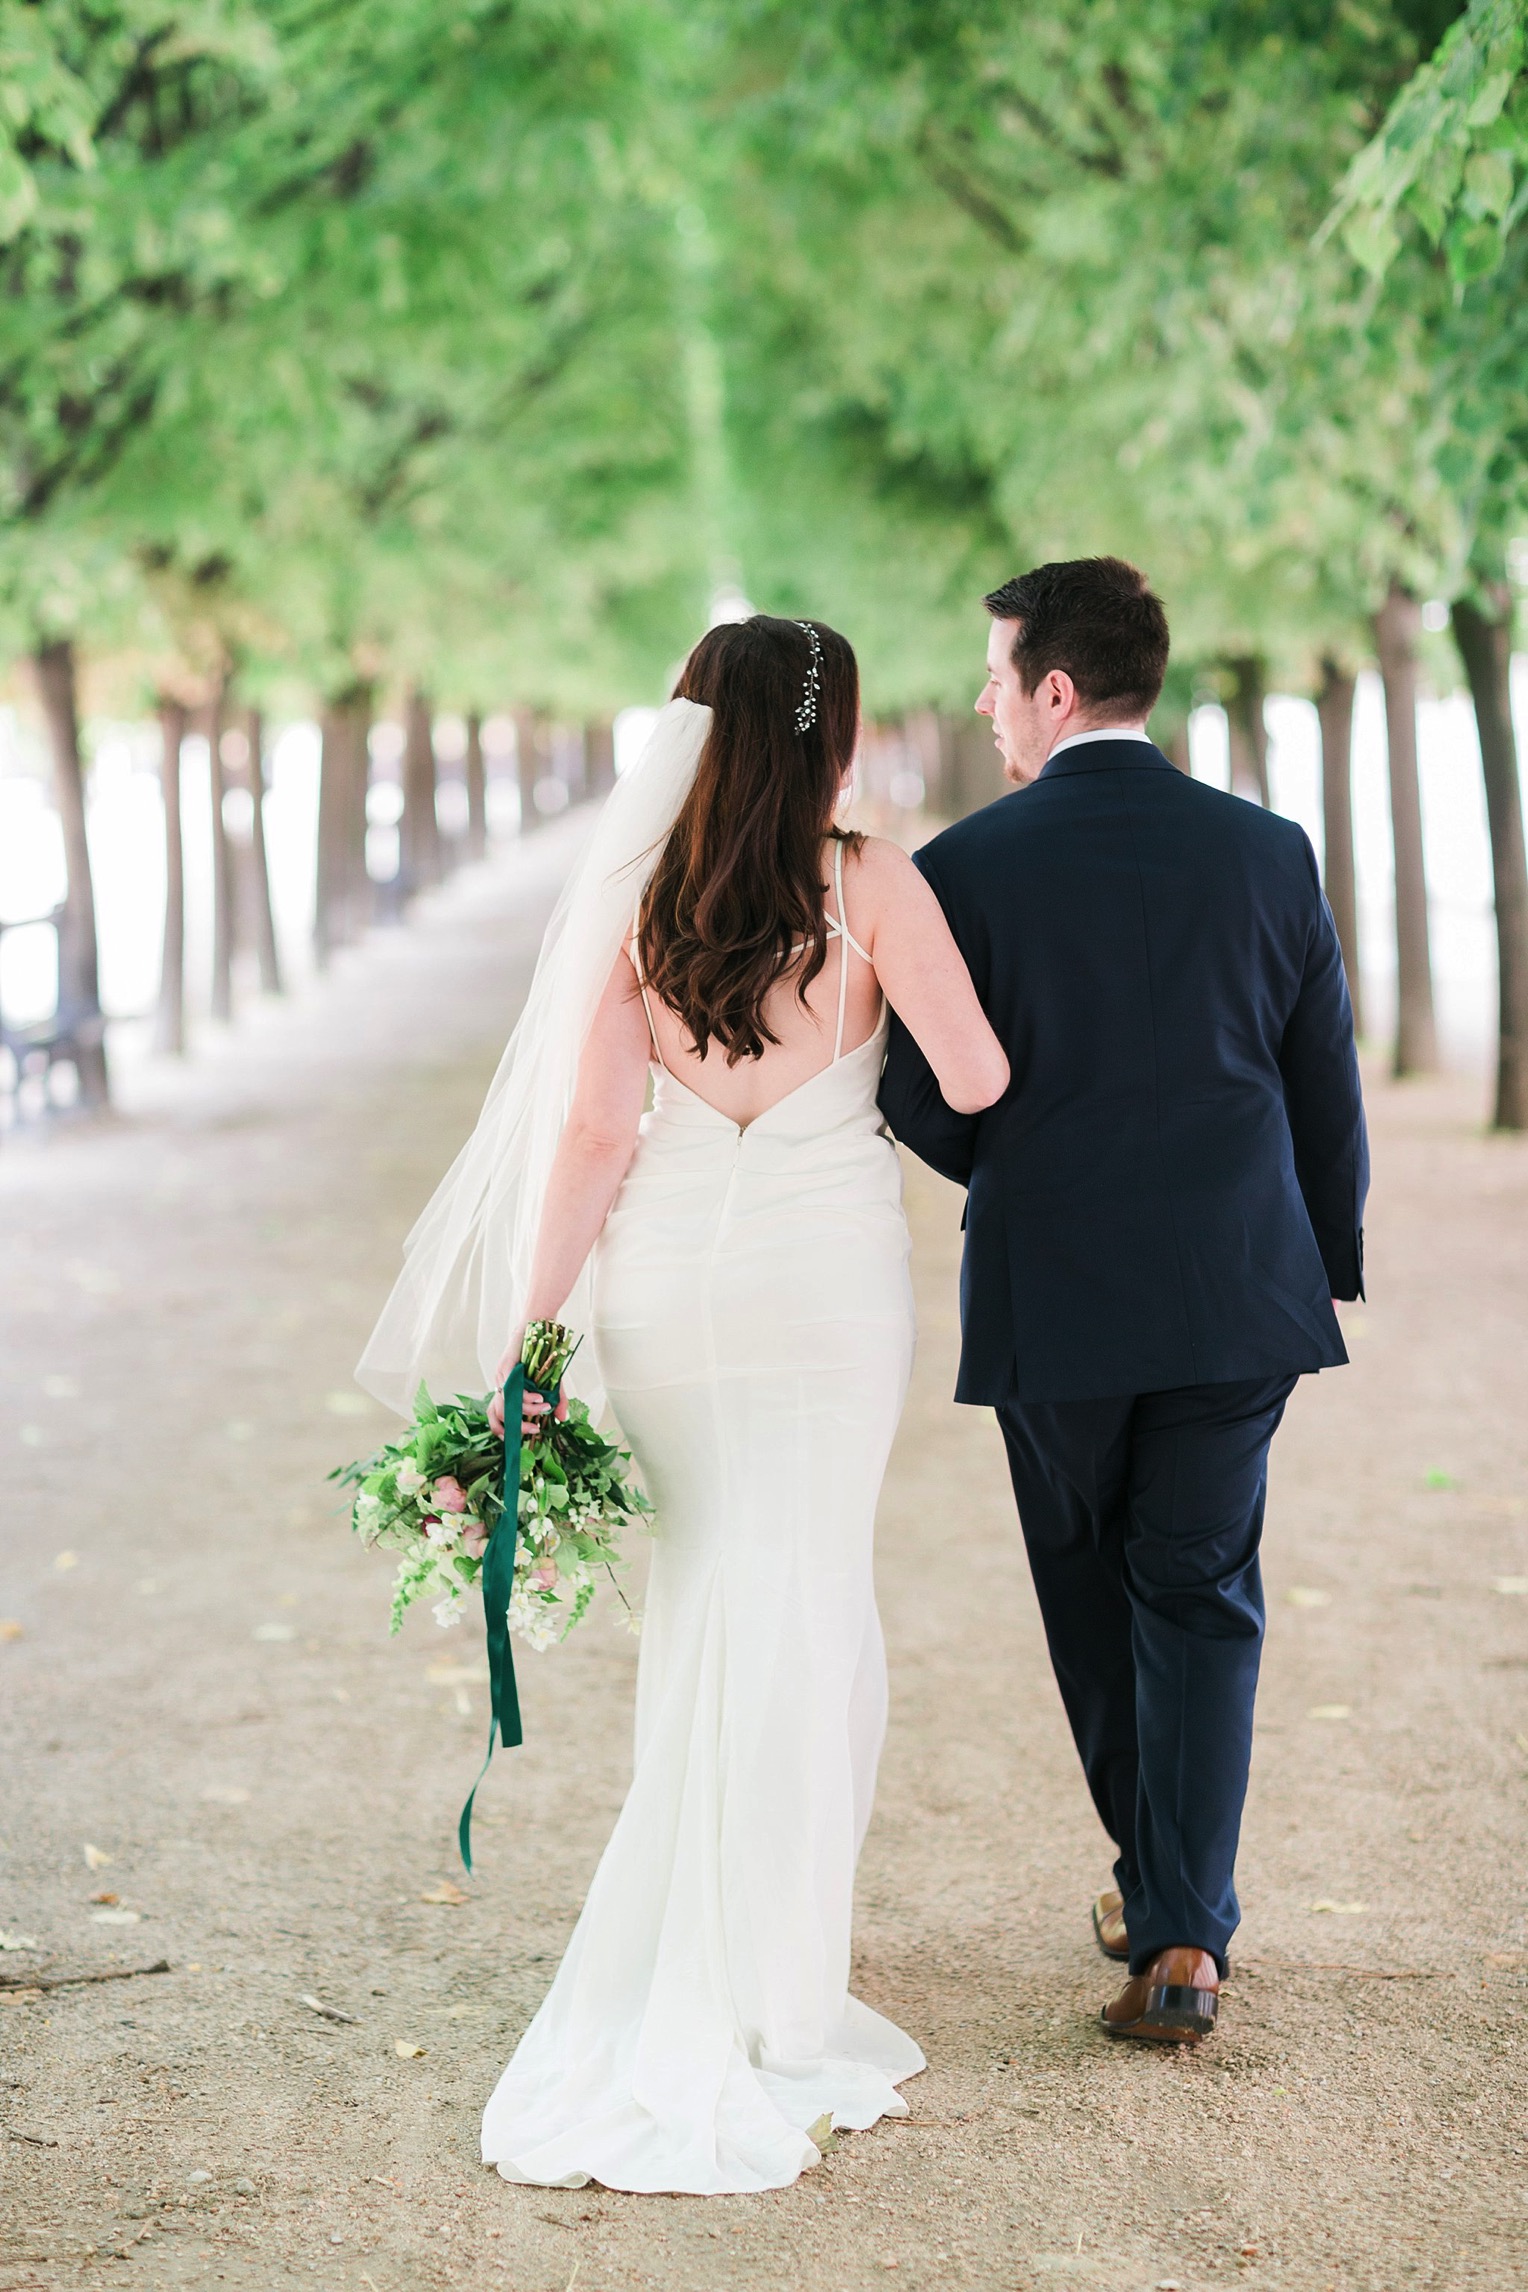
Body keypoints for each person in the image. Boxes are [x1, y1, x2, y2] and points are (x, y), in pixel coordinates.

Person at [363, 615, 1006, 2192]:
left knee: (713, 1601)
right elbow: (978, 1078)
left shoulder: (643, 904)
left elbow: (592, 1141)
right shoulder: (872, 883)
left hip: (668, 1303)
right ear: (828, 734)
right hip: (827, 1292)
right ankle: (773, 1984)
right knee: (806, 1606)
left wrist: (533, 1343)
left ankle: (719, 1951)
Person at [880, 557, 1368, 2046]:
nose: (983, 700)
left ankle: (1165, 1910)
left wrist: (1017, 1175)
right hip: (1239, 1283)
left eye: (994, 672)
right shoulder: (1270, 851)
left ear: (1053, 689)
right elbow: (1319, 1082)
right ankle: (1180, 1926)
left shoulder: (966, 867)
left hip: (1059, 1289)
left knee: (1092, 1593)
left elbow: (922, 1095)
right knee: (1203, 1595)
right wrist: (1321, 1248)